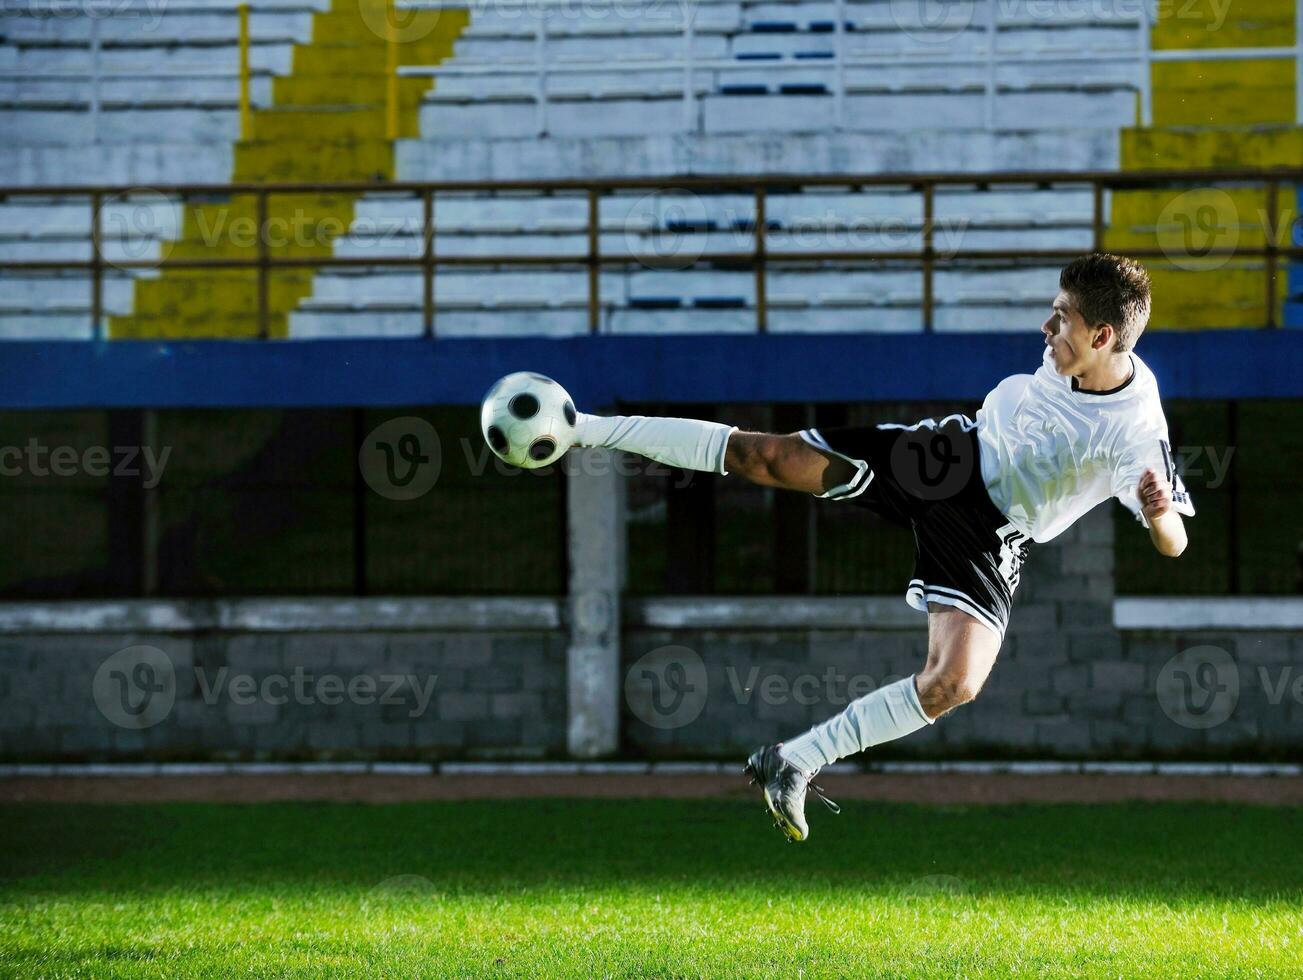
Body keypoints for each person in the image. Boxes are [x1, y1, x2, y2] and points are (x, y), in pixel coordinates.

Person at [572, 253, 1193, 841]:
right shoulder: (1067, 360)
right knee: (764, 455)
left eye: (1063, 318)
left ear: (1104, 337)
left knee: (954, 683)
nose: (1047, 325)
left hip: (989, 529)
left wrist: (1161, 511)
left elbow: (1174, 544)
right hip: (947, 459)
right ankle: (581, 428)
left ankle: (795, 760)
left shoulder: (1136, 429)